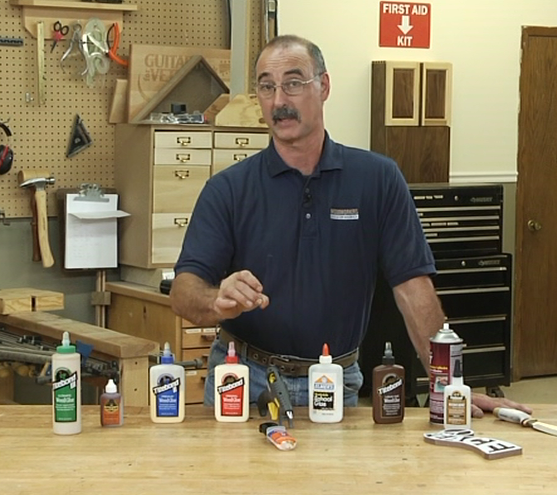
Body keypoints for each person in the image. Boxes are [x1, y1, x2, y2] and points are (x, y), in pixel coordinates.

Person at [170, 34, 531, 418]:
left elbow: (414, 290)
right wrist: (216, 300)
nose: (279, 101)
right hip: (244, 380)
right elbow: (183, 292)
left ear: (323, 86)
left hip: (336, 381)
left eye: (294, 83)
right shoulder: (228, 189)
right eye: (267, 87)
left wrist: (451, 386)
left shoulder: (377, 179)